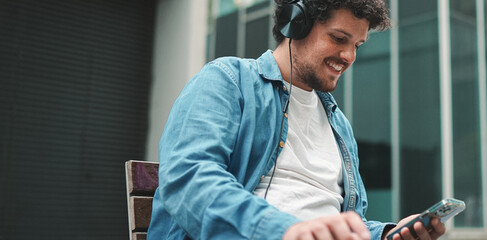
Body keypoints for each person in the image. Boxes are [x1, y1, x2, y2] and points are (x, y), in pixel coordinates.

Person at [148, 0, 447, 239]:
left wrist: (386, 234)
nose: (349, 56)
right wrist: (286, 230)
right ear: (296, 23)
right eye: (339, 38)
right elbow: (188, 177)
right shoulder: (228, 80)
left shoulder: (339, 126)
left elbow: (345, 224)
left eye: (357, 45)